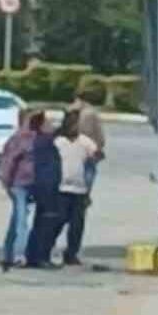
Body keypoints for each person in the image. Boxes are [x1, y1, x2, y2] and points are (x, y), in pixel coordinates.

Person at [51, 110, 99, 266]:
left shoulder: (85, 142)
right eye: (72, 124)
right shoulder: (58, 142)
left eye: (77, 124)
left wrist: (94, 158)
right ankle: (47, 246)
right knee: (58, 220)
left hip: (80, 190)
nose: (75, 127)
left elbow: (96, 155)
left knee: (77, 225)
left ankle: (71, 253)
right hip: (61, 189)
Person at [0, 111, 42, 271]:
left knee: (16, 219)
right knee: (21, 220)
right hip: (19, 185)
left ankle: (7, 253)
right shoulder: (19, 139)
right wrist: (6, 181)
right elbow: (9, 161)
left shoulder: (40, 139)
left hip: (33, 184)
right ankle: (18, 255)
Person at [25, 112, 64, 269]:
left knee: (40, 222)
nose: (51, 125)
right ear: (41, 126)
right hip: (47, 188)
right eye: (47, 123)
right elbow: (45, 168)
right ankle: (41, 257)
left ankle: (33, 256)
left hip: (43, 187)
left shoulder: (40, 140)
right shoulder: (44, 142)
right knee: (47, 223)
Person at [69, 92, 106, 190]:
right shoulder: (91, 113)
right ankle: (85, 193)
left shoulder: (73, 112)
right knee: (88, 171)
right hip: (90, 149)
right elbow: (100, 136)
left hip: (76, 149)